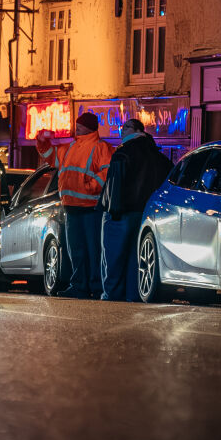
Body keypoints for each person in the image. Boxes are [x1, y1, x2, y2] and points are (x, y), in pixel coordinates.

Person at [100, 118, 172, 300]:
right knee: (136, 258)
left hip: (121, 212)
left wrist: (112, 210)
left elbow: (114, 185)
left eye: (126, 127)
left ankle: (112, 295)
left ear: (138, 130)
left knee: (113, 257)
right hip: (145, 215)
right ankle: (133, 296)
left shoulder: (123, 153)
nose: (122, 130)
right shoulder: (160, 158)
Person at [56, 112, 111, 298]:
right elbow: (52, 158)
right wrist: (42, 143)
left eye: (80, 126)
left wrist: (89, 187)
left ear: (88, 127)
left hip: (90, 207)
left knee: (92, 250)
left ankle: (94, 286)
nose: (76, 129)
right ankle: (80, 285)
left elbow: (106, 174)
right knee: (77, 250)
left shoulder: (100, 147)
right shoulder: (71, 147)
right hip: (72, 207)